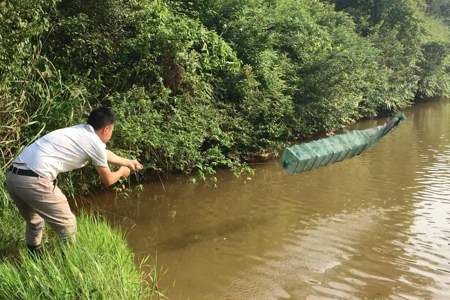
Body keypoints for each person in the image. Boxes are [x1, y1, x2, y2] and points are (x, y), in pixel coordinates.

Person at [5, 106, 143, 254]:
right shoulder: (94, 143)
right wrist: (122, 172)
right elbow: (108, 180)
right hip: (35, 179)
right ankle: (69, 265)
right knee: (68, 224)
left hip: (13, 176)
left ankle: (35, 259)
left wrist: (127, 162)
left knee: (35, 221)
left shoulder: (80, 131)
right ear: (106, 129)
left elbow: (103, 153)